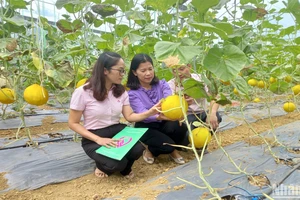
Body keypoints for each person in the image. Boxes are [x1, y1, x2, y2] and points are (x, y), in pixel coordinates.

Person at [68, 52, 160, 179]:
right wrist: (98, 139)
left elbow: (129, 116)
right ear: (105, 70)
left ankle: (125, 168)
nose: (123, 74)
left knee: (138, 150)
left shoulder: (120, 91)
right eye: (120, 71)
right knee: (115, 165)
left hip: (117, 130)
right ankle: (102, 165)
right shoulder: (83, 92)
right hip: (94, 136)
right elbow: (73, 123)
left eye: (124, 71)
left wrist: (150, 112)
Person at [126, 53, 187, 165]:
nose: (148, 73)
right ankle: (169, 151)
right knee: (167, 146)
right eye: (143, 71)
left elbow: (169, 99)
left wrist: (177, 108)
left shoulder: (162, 84)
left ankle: (154, 149)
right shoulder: (132, 94)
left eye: (150, 69)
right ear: (135, 72)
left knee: (181, 128)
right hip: (146, 126)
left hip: (164, 120)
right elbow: (142, 113)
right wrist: (158, 115)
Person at [168, 64, 222, 147]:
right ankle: (186, 143)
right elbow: (171, 108)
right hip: (185, 116)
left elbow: (214, 96)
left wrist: (212, 112)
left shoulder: (200, 79)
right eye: (174, 71)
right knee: (186, 136)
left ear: (189, 66)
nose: (178, 73)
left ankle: (201, 143)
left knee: (216, 117)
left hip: (202, 112)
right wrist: (184, 103)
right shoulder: (171, 85)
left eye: (181, 69)